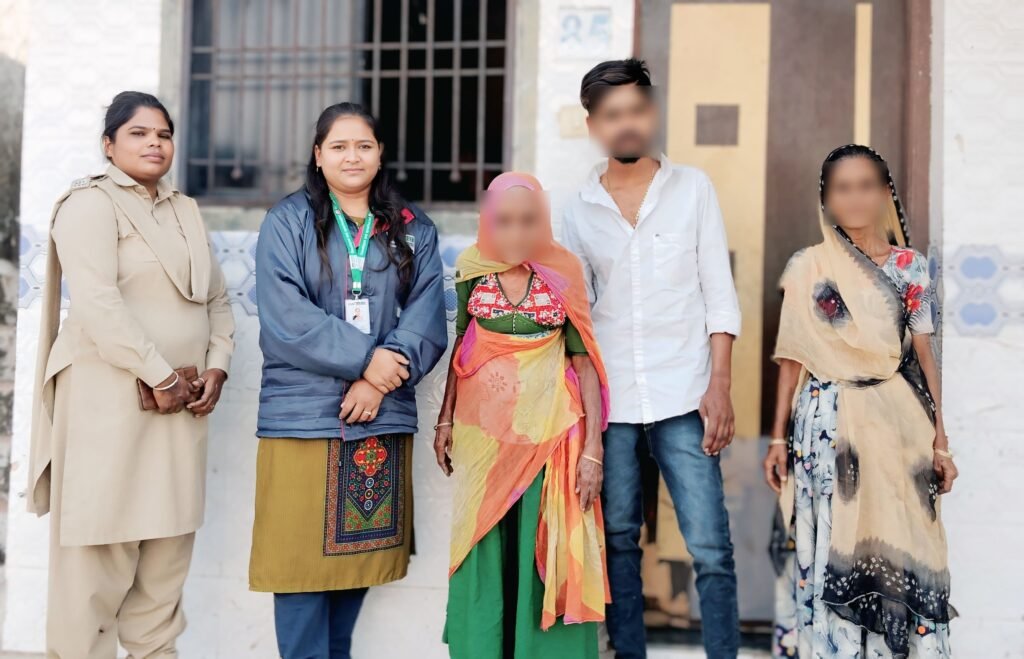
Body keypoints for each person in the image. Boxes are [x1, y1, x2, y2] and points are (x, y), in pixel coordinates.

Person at [28, 91, 235, 657]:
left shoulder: (184, 209)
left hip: (181, 409)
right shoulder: (88, 204)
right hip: (108, 407)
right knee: (95, 567)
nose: (154, 144)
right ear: (108, 144)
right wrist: (161, 376)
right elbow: (98, 305)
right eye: (138, 133)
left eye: (163, 134)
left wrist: (216, 368)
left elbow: (216, 300)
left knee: (164, 566)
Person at [249, 102, 447, 658]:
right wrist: (366, 360)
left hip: (378, 415)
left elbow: (426, 316)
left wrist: (378, 378)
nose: (351, 156)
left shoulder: (413, 228)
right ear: (318, 155)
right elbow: (286, 317)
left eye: (363, 145)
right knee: (296, 565)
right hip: (301, 418)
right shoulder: (287, 221)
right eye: (338, 146)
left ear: (380, 153)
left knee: (356, 561)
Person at [560, 59, 742, 658]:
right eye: (612, 115)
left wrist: (720, 384)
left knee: (710, 546)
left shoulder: (692, 189)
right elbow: (579, 314)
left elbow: (719, 293)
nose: (627, 124)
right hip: (611, 402)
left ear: (652, 113)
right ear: (594, 125)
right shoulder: (577, 207)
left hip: (685, 394)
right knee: (616, 540)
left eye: (636, 110)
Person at [764, 145, 957, 658]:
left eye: (867, 186)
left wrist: (941, 440)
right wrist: (778, 438)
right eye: (842, 189)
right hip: (826, 429)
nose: (855, 199)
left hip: (897, 427)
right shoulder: (809, 266)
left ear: (885, 193)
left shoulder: (911, 268)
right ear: (826, 199)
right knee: (832, 543)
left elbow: (925, 355)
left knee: (899, 538)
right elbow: (792, 357)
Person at [434, 173, 611, 658]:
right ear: (488, 220)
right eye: (504, 221)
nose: (516, 232)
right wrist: (445, 419)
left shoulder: (562, 271)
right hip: (484, 440)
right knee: (483, 543)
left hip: (550, 437)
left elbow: (584, 362)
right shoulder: (471, 268)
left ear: (543, 220)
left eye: (528, 221)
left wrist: (593, 450)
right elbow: (462, 348)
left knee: (543, 543)